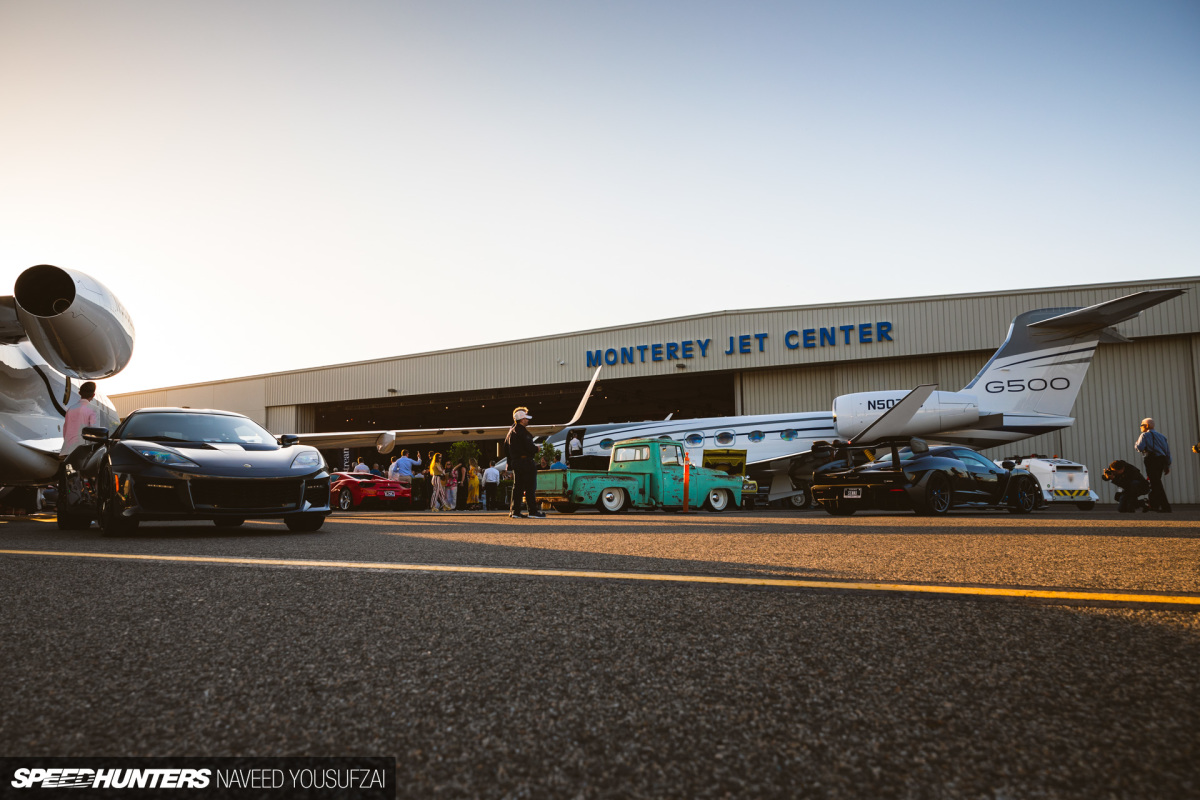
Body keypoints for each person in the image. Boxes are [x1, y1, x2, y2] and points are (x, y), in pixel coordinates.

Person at [505, 407, 542, 518]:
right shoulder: (523, 432)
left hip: (516, 462)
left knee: (518, 487)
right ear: (521, 419)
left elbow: (506, 449)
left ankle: (515, 511)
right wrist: (537, 448)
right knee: (530, 487)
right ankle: (532, 511)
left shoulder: (510, 432)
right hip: (526, 461)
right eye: (526, 418)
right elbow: (529, 447)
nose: (527, 420)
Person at [1135, 418, 1172, 512]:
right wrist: (1167, 465)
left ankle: (1165, 507)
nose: (1140, 427)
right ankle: (1154, 505)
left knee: (1156, 483)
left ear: (1146, 426)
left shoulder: (1144, 435)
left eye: (1142, 425)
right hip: (1161, 460)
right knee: (1155, 482)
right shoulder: (1162, 436)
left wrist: (1136, 445)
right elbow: (1167, 452)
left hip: (1151, 459)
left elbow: (1140, 447)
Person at [61, 381, 99, 463]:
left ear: (79, 393)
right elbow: (94, 431)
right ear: (93, 395)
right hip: (83, 450)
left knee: (70, 474)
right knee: (83, 475)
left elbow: (65, 430)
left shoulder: (70, 409)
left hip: (68, 450)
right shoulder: (93, 409)